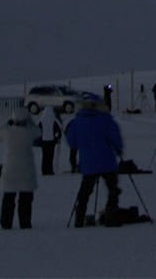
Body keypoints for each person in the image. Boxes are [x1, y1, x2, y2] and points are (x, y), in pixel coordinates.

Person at [65, 96, 124, 227]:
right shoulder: (105, 119)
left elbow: (71, 141)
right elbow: (115, 136)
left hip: (88, 163)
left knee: (85, 192)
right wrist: (119, 149)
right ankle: (112, 216)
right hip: (107, 161)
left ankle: (79, 219)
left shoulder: (77, 121)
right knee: (112, 189)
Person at [0, 108, 39, 229]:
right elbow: (39, 132)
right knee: (25, 200)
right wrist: (31, 121)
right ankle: (25, 222)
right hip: (26, 170)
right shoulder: (30, 132)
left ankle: (6, 222)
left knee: (8, 199)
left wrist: (8, 123)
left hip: (10, 169)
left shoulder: (7, 132)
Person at [37, 106, 62, 175]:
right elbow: (58, 129)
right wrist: (57, 137)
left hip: (44, 141)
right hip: (51, 141)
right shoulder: (54, 119)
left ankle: (44, 170)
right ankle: (49, 170)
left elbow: (38, 130)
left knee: (44, 156)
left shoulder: (42, 119)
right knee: (50, 156)